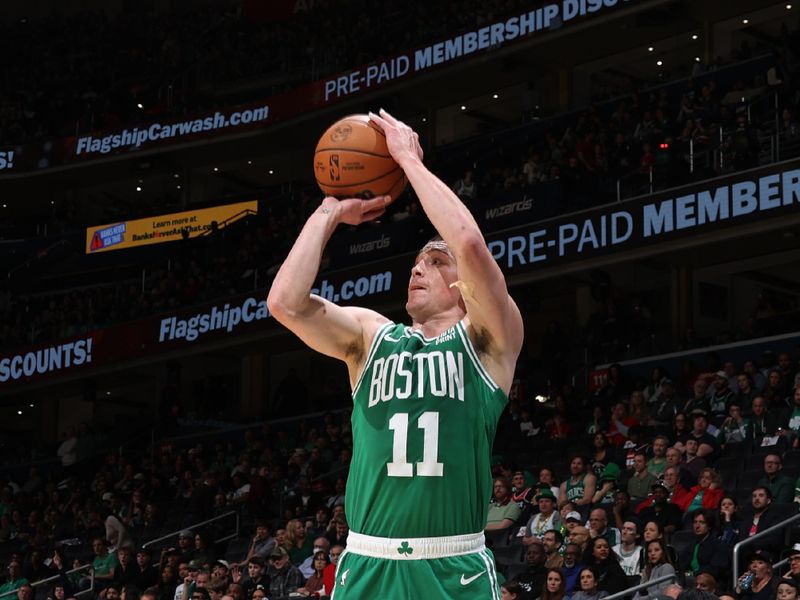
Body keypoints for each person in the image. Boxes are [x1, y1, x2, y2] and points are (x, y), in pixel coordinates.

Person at [267, 108, 523, 600]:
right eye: (416, 261)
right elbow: (284, 303)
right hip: (368, 560)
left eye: (435, 261)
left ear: (463, 286)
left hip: (453, 564)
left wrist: (408, 162)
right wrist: (330, 211)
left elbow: (468, 241)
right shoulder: (371, 336)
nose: (418, 269)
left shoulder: (490, 339)